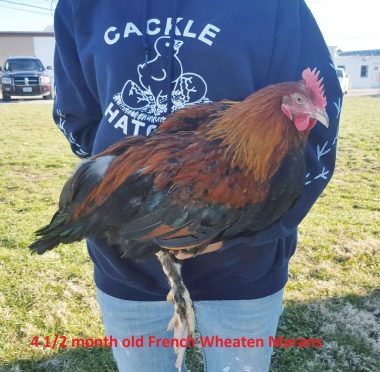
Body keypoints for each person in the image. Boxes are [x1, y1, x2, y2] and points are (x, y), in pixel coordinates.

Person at [52, 1, 342, 371]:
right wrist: (135, 182)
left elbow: (320, 132)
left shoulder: (276, 7)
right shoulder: (84, 5)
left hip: (245, 269)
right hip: (126, 262)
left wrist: (241, 226)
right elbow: (77, 114)